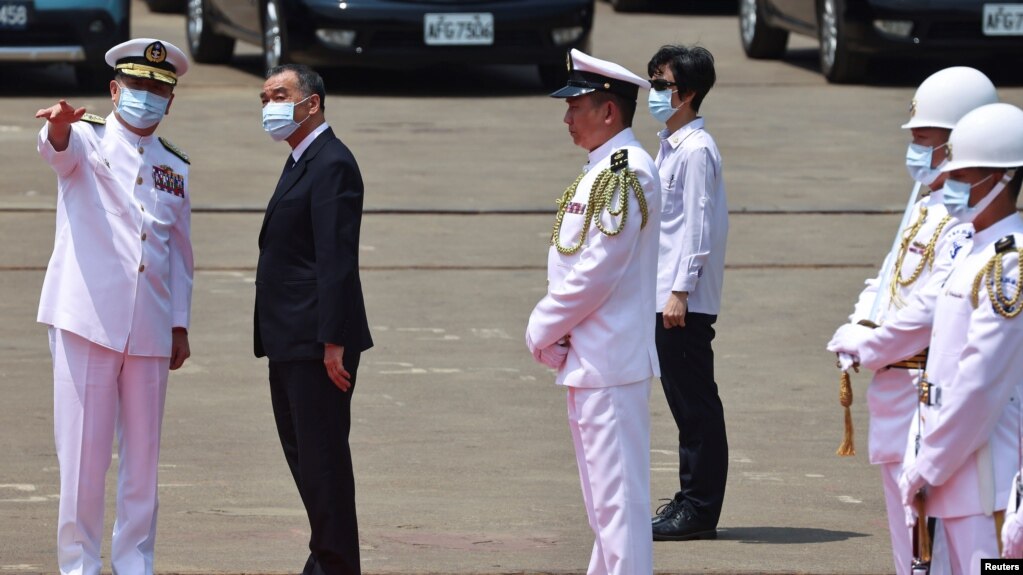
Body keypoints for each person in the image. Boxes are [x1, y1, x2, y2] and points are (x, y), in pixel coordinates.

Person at [829, 102, 1023, 574]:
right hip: (952, 466)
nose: (951, 185)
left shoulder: (1008, 264)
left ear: (1001, 179)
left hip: (986, 477)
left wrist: (928, 464)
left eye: (964, 175)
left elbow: (978, 386)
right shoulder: (974, 248)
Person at [34, 38, 193, 575]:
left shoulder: (175, 166)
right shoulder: (87, 138)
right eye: (137, 86)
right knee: (83, 459)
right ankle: (78, 567)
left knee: (143, 464)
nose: (145, 97)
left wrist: (179, 324)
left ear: (170, 100)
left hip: (148, 328)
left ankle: (134, 565)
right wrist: (56, 127)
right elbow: (56, 152)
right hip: (87, 322)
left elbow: (179, 256)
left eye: (157, 89)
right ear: (114, 88)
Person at [526, 49, 661, 575]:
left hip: (610, 360)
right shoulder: (600, 170)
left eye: (576, 106)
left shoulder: (627, 173)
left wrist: (542, 326)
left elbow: (596, 273)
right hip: (590, 356)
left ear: (609, 111)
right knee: (603, 505)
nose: (566, 118)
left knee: (619, 504)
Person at [254, 63, 373, 575]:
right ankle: (325, 556)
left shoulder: (332, 163)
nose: (270, 106)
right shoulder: (302, 158)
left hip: (316, 343)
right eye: (263, 98)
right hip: (289, 338)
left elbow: (336, 258)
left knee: (322, 461)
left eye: (279, 95)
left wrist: (333, 341)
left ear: (312, 103)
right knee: (305, 457)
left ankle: (335, 564)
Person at [644, 44, 728, 541]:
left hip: (682, 303)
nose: (654, 92)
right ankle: (690, 499)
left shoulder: (696, 151)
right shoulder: (670, 145)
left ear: (689, 93)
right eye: (653, 81)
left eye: (663, 85)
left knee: (696, 405)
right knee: (682, 402)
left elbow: (698, 227)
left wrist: (680, 291)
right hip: (664, 296)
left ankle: (699, 509)